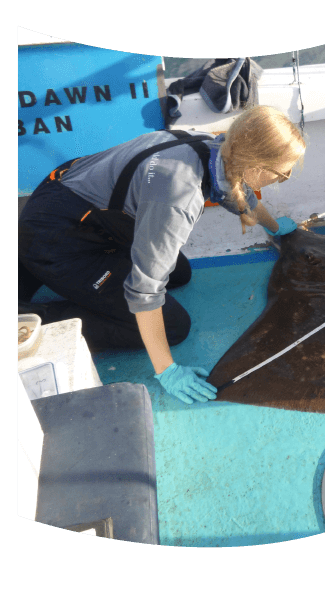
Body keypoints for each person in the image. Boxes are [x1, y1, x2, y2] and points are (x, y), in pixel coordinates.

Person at [18, 106, 307, 403]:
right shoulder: (178, 197)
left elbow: (238, 193)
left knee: (179, 273)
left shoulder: (214, 146)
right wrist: (166, 369)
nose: (282, 178)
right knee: (172, 326)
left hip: (81, 209)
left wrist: (275, 229)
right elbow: (144, 291)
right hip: (56, 238)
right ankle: (34, 317)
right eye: (282, 174)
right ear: (256, 166)